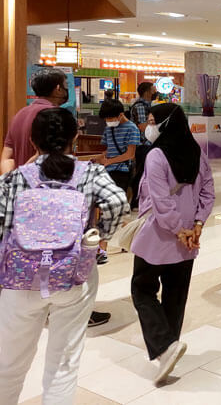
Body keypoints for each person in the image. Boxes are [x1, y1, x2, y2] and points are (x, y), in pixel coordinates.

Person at [0, 108, 128, 404]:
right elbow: (118, 202)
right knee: (63, 364)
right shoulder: (91, 172)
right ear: (75, 138)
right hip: (73, 276)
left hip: (20, 280)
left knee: (8, 363)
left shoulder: (16, 178)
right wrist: (96, 239)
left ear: (33, 141)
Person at [130, 103, 215, 384]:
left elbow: (160, 201)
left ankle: (165, 347)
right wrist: (196, 225)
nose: (149, 126)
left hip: (158, 237)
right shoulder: (197, 152)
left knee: (142, 289)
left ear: (166, 123)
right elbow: (208, 191)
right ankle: (169, 346)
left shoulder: (156, 155)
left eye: (153, 120)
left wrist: (179, 230)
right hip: (188, 239)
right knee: (175, 295)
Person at [1, 68, 68, 175]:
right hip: (45, 183)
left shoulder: (19, 114)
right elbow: (49, 155)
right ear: (58, 89)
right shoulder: (55, 116)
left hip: (21, 187)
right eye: (66, 86)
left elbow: (6, 158)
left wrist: (13, 180)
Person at [97, 99, 140, 195]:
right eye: (106, 119)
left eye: (110, 118)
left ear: (120, 115)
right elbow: (108, 149)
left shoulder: (132, 128)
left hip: (122, 171)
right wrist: (100, 158)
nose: (107, 121)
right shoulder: (108, 128)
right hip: (106, 170)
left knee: (116, 201)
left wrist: (109, 161)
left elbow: (130, 154)